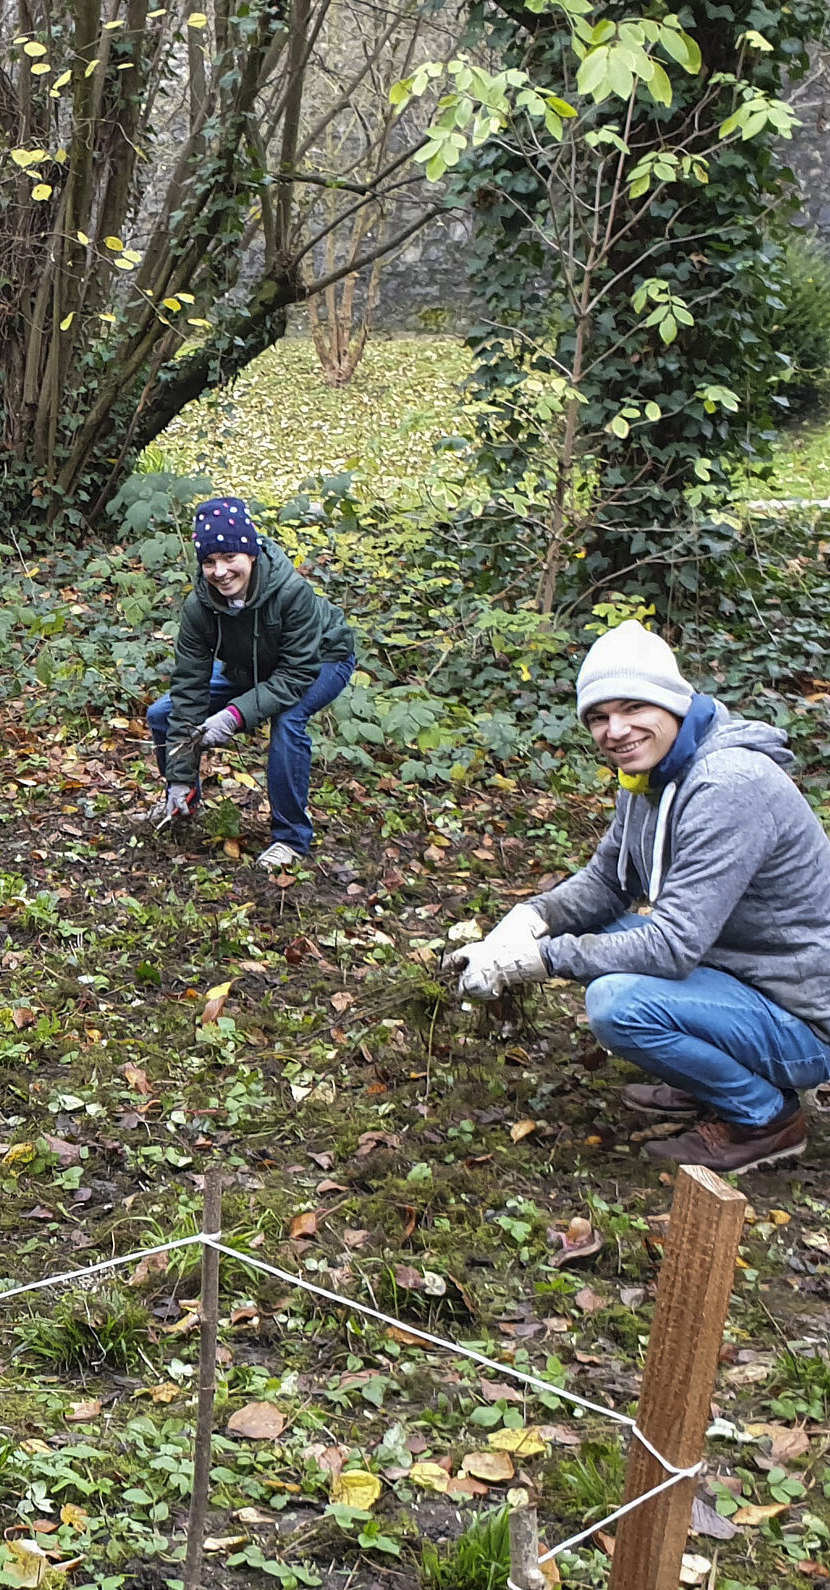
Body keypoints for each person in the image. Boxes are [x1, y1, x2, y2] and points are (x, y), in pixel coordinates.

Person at [449, 621, 830, 1173]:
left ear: (673, 703)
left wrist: (542, 959)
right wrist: (530, 920)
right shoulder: (656, 774)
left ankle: (765, 1118)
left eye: (633, 708)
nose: (615, 730)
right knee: (609, 939)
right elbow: (609, 881)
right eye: (599, 717)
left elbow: (673, 946)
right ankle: (715, 1078)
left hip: (805, 1015)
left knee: (618, 1004)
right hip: (745, 977)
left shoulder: (729, 786)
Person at [147, 496, 358, 868]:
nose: (220, 571)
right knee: (163, 713)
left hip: (320, 660)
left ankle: (291, 838)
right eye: (209, 562)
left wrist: (232, 717)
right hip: (250, 667)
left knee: (289, 720)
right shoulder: (200, 607)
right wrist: (179, 776)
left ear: (252, 554)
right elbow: (189, 687)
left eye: (230, 558)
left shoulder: (292, 593)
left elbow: (295, 675)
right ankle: (183, 801)